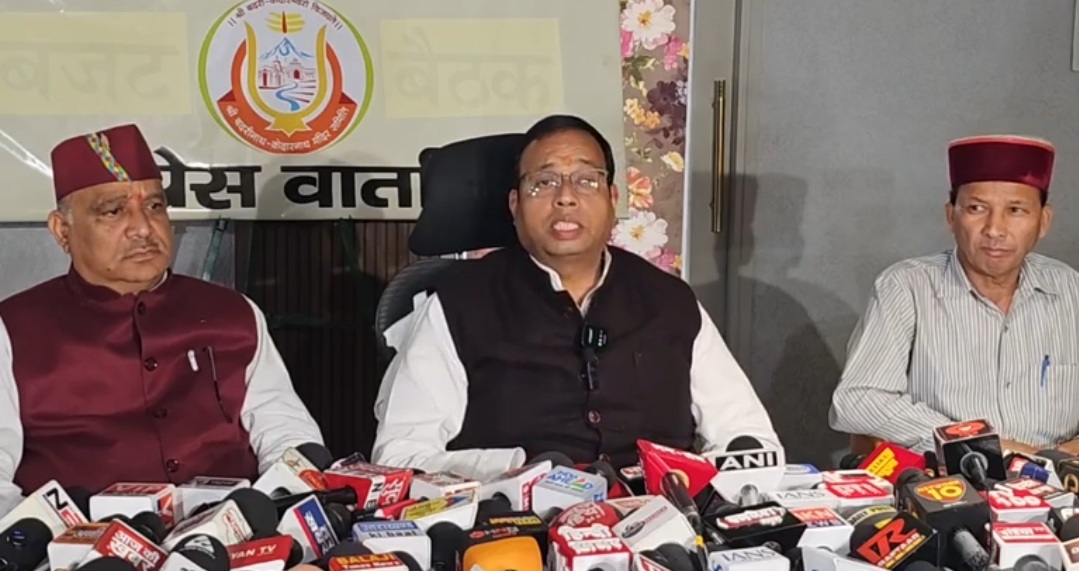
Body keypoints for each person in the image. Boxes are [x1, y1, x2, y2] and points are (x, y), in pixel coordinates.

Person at [371, 115, 779, 480]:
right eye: (543, 182)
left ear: (612, 200)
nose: (565, 197)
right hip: (512, 524)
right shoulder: (458, 304)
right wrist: (518, 469)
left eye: (586, 180)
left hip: (666, 519)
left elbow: (749, 440)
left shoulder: (671, 301)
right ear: (515, 205)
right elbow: (399, 455)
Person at [0, 124, 323, 515]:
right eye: (114, 211)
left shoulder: (233, 313)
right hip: (75, 541)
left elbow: (286, 432)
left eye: (154, 207)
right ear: (61, 230)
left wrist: (279, 507)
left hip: (232, 537)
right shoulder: (14, 329)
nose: (142, 228)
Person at [830, 134, 1079, 456]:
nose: (995, 229)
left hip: (1059, 477)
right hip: (945, 477)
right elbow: (859, 399)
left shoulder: (1070, 289)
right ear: (951, 216)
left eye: (1016, 210)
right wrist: (981, 445)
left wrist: (1058, 459)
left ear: (1043, 221)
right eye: (977, 208)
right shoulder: (907, 286)